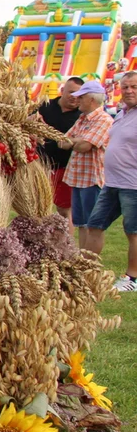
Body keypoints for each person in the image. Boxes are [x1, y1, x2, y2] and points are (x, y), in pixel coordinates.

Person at [86, 71, 137, 291]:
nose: (129, 91)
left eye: (134, 86)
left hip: (133, 184)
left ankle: (132, 279)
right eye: (125, 87)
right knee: (94, 225)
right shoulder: (122, 113)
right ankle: (85, 271)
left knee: (133, 231)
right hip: (112, 182)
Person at [59, 81, 113, 249]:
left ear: (91, 99)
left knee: (93, 224)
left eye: (81, 97)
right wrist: (78, 141)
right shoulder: (82, 119)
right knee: (81, 223)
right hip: (77, 178)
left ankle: (90, 261)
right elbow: (62, 142)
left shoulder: (104, 120)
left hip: (92, 179)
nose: (77, 101)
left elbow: (84, 146)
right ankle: (82, 259)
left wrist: (74, 142)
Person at [37, 77, 83, 221]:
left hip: (65, 168)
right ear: (62, 91)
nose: (75, 98)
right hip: (40, 166)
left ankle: (66, 243)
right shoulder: (45, 106)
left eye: (79, 95)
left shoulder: (81, 116)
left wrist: (45, 128)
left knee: (64, 210)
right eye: (71, 92)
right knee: (37, 207)